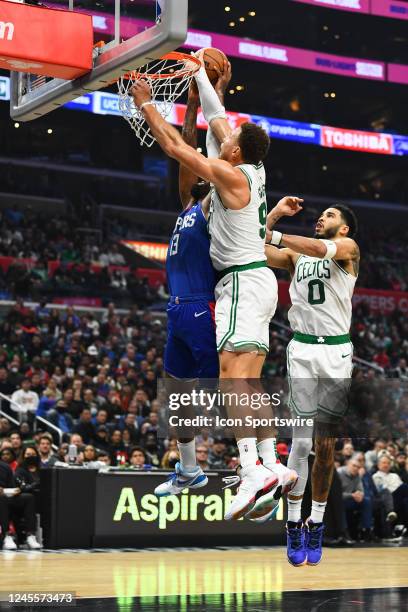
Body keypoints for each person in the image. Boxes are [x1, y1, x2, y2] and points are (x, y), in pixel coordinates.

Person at [132, 55, 296, 520]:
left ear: (235, 153)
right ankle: (270, 466)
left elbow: (179, 150)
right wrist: (204, 79)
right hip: (242, 286)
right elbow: (219, 121)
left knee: (231, 383)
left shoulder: (225, 179)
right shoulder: (241, 168)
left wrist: (147, 105)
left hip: (237, 285)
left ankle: (253, 472)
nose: (223, 138)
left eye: (228, 140)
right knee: (245, 382)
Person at [266, 200, 359, 565]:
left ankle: (316, 523)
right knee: (301, 445)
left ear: (345, 228)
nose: (322, 218)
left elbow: (320, 248)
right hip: (302, 349)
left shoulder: (349, 251)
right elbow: (255, 246)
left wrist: (276, 233)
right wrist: (269, 215)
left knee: (326, 447)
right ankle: (292, 524)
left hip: (336, 353)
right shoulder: (294, 257)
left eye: (331, 216)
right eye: (321, 215)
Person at [152, 70, 229, 498]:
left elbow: (206, 151)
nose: (193, 164)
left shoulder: (213, 206)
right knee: (175, 393)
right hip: (177, 308)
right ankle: (188, 470)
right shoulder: (186, 205)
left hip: (201, 305)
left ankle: (260, 467)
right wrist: (194, 106)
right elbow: (185, 154)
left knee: (218, 389)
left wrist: (214, 92)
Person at [0, 458, 41, 550]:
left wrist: (16, 490)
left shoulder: (5, 467)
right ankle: (6, 535)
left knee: (28, 497)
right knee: (1, 498)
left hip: (5, 497)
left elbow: (11, 486)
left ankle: (30, 536)